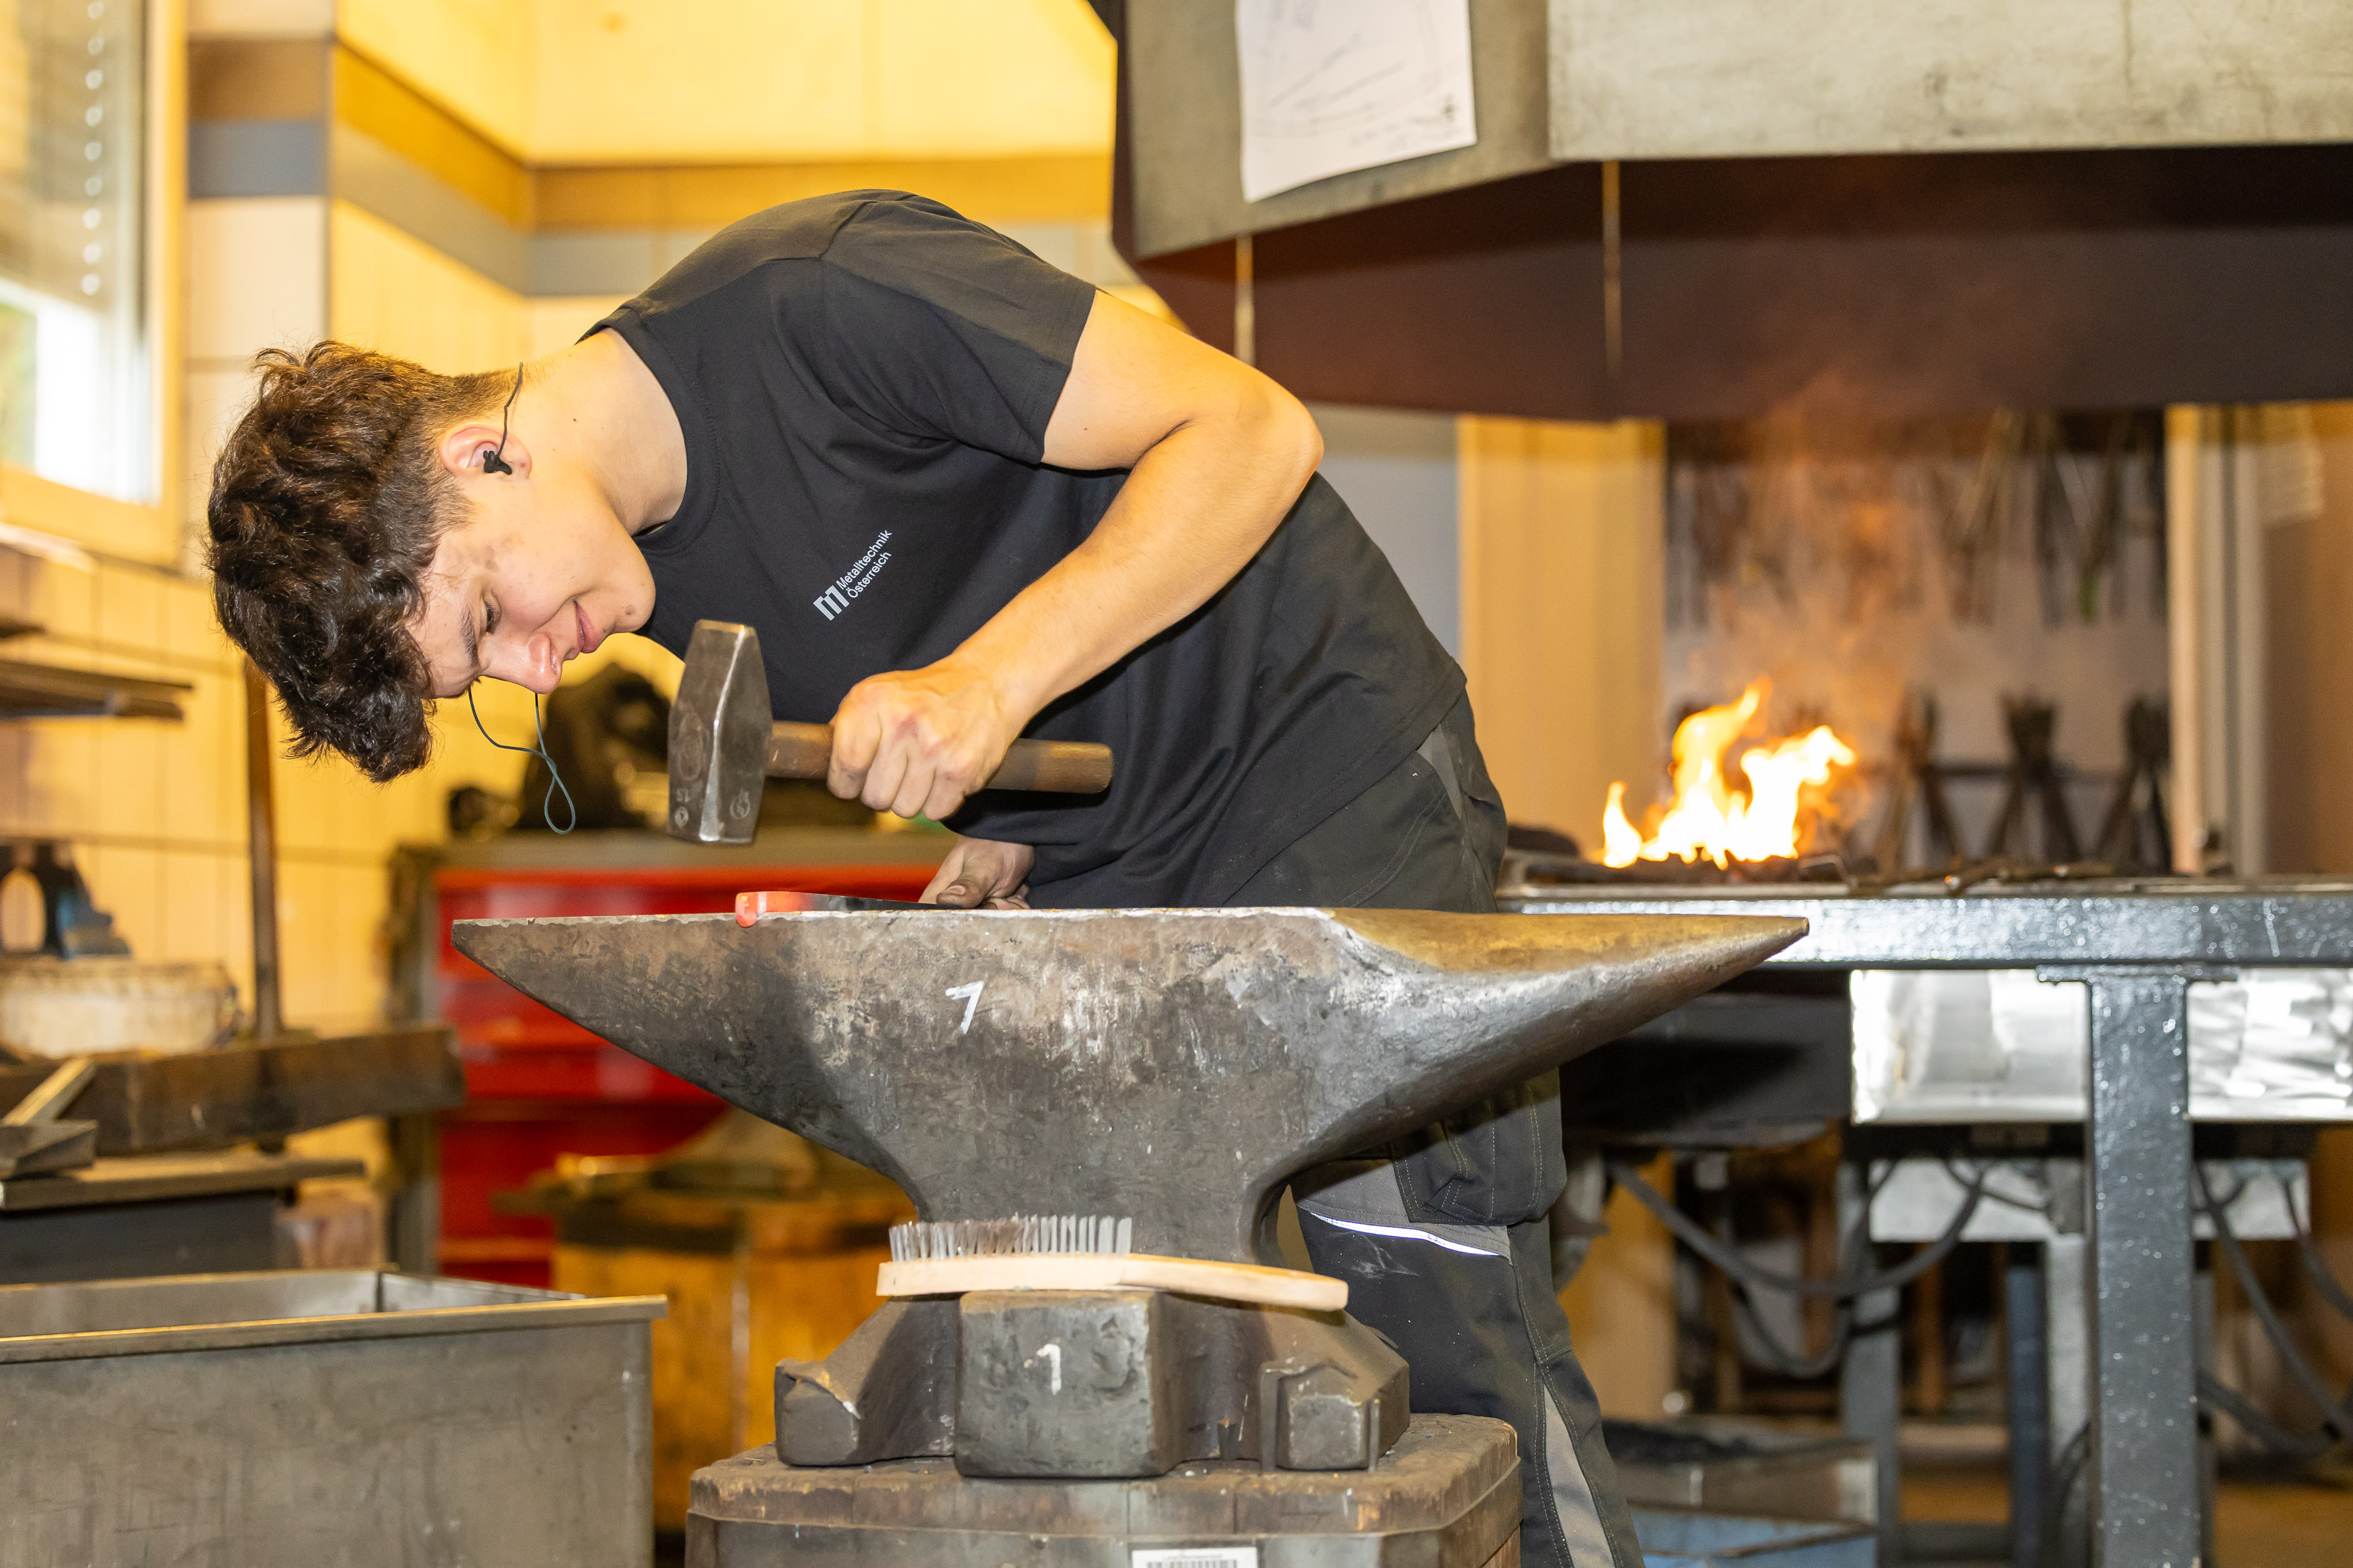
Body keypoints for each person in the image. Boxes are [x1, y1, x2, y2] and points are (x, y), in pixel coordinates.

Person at [205, 190, 1638, 1568]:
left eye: (485, 620)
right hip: (1122, 870)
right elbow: (1020, 582)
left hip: (1328, 768)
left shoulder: (820, 296)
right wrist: (1004, 810)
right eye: (490, 680)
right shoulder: (625, 570)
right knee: (1143, 1383)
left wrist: (983, 686)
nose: (537, 663)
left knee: (1432, 1335)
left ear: (478, 455)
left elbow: (1249, 427)